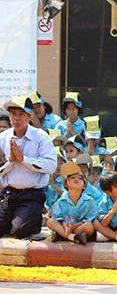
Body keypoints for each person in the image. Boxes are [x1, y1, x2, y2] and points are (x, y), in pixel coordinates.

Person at [0, 97, 56, 239]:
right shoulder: (3, 138)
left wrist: (24, 160)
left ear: (30, 116)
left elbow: (51, 166)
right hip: (8, 193)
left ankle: (32, 219)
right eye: (13, 114)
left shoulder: (41, 137)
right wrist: (11, 161)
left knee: (19, 231)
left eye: (21, 114)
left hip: (32, 194)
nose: (16, 118)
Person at [47, 162, 97, 244]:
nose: (76, 179)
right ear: (66, 184)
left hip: (80, 227)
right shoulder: (61, 201)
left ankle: (63, 236)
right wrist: (65, 225)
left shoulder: (90, 201)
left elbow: (89, 219)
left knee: (89, 227)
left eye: (80, 179)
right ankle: (73, 237)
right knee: (50, 222)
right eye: (72, 177)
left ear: (84, 186)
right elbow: (59, 218)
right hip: (65, 227)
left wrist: (74, 226)